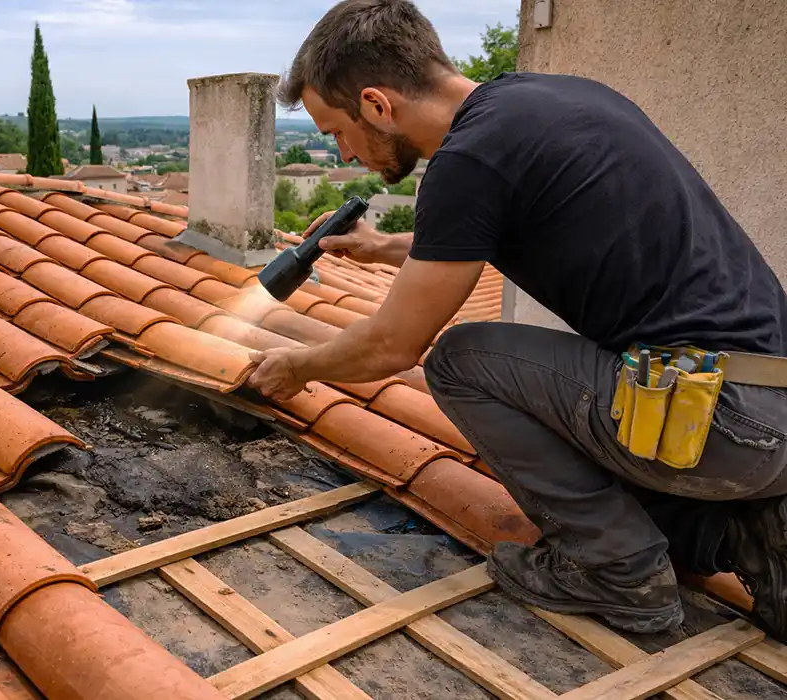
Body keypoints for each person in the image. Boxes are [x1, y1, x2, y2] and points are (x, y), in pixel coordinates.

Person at [245, 0, 787, 638]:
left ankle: (618, 573)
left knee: (460, 361)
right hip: (763, 411)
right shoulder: (544, 104)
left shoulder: (469, 161)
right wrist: (382, 246)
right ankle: (746, 531)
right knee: (600, 412)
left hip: (717, 421)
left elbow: (392, 346)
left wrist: (295, 367)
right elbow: (497, 230)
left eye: (336, 129)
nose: (341, 151)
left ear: (376, 104)